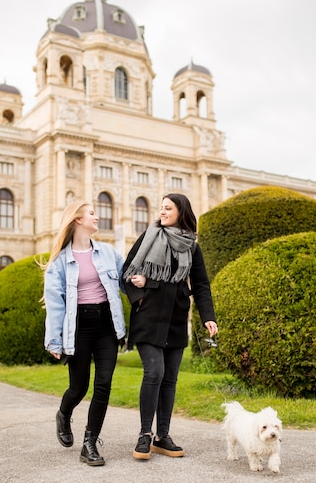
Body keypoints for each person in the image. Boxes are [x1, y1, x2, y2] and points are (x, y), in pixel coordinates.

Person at [123, 193, 218, 460]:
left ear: (181, 212)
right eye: (161, 208)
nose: (162, 212)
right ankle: (144, 435)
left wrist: (208, 316)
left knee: (169, 379)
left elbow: (200, 284)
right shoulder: (148, 237)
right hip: (148, 316)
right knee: (154, 372)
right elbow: (126, 273)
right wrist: (141, 287)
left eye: (168, 208)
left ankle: (162, 436)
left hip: (176, 318)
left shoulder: (191, 247)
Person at [43, 200, 126, 466]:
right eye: (91, 213)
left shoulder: (109, 252)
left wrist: (139, 281)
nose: (97, 217)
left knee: (104, 384)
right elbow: (55, 304)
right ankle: (64, 414)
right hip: (78, 326)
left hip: (106, 325)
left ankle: (89, 443)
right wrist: (54, 340)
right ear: (77, 219)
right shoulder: (59, 263)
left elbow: (126, 281)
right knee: (78, 387)